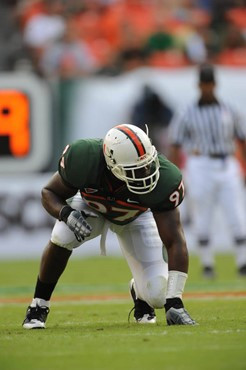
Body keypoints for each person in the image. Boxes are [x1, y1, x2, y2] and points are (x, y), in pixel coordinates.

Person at [22, 123, 196, 329]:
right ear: (112, 163)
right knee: (63, 235)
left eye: (147, 165)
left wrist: (174, 301)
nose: (145, 172)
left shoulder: (165, 179)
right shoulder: (84, 158)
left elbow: (175, 240)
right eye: (136, 169)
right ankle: (38, 305)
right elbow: (49, 192)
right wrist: (66, 214)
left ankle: (140, 293)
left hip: (135, 217)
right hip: (91, 208)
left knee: (158, 296)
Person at [168, 63, 246, 278]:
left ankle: (242, 261)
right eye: (204, 84)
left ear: (215, 84)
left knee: (236, 213)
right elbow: (175, 142)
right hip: (200, 163)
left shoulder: (229, 108)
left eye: (210, 84)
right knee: (202, 213)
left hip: (227, 162)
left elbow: (242, 138)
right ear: (199, 85)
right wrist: (176, 173)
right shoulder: (187, 112)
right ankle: (207, 263)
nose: (207, 88)